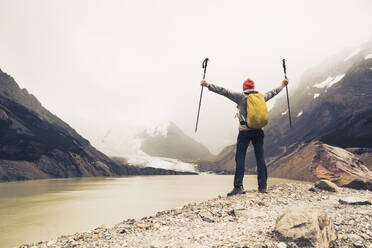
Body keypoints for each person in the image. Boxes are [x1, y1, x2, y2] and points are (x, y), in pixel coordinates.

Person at [200, 77, 289, 196]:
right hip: (258, 131)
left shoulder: (240, 96)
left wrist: (208, 85)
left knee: (240, 158)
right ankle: (262, 187)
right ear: (253, 87)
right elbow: (273, 92)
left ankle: (238, 187)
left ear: (244, 88)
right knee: (260, 158)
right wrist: (283, 85)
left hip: (244, 132)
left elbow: (224, 91)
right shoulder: (261, 97)